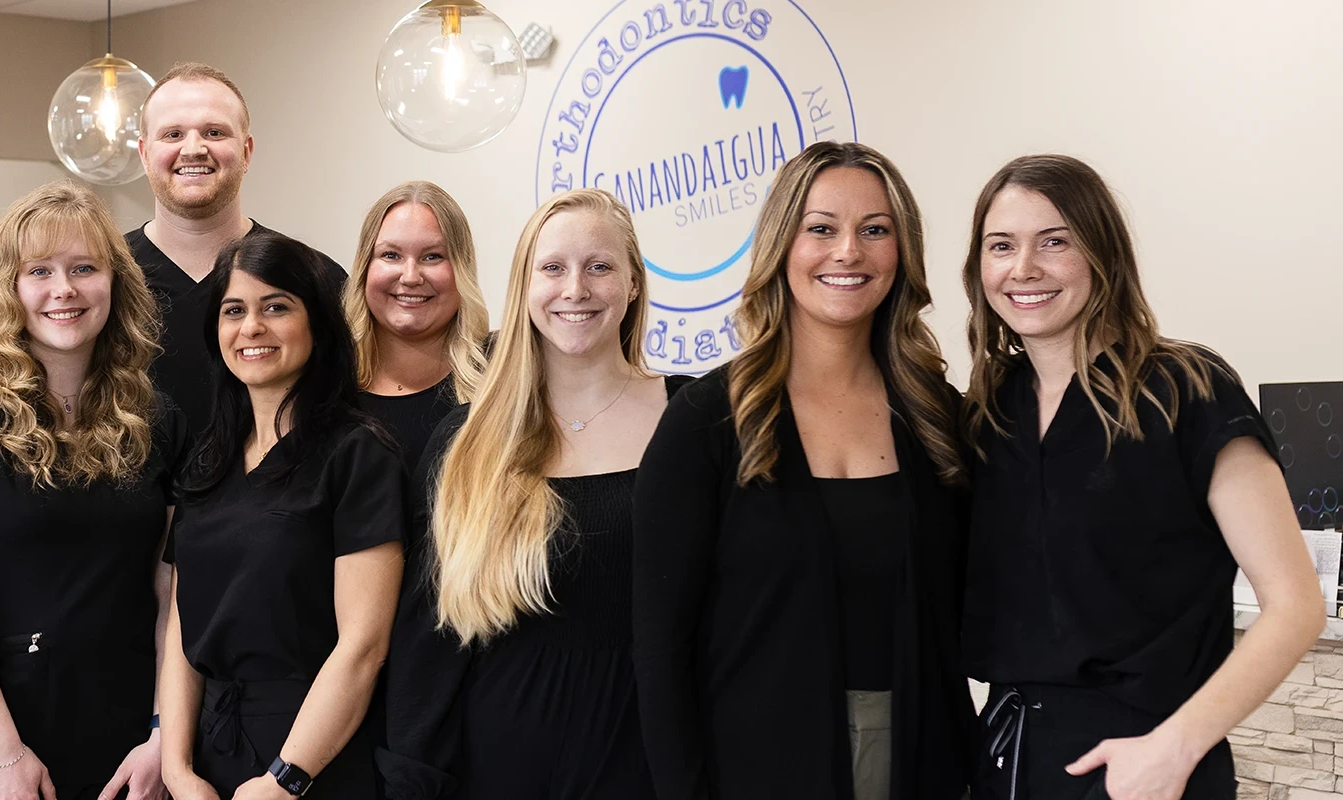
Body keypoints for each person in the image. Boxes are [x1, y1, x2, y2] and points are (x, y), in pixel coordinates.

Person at [959, 155, 1322, 800]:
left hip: (1149, 763)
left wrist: (1175, 748)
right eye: (1002, 245)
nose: (1024, 268)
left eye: (1055, 241)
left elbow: (1295, 605)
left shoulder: (1186, 389)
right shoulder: (988, 410)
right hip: (1010, 757)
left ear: (1103, 253)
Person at [632, 142, 976, 800]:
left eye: (874, 230)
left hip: (924, 759)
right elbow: (659, 650)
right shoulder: (705, 422)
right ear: (781, 245)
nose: (848, 251)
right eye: (821, 228)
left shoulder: (939, 416)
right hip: (752, 769)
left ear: (901, 251)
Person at [378, 188, 680, 800]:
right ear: (524, 286)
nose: (575, 289)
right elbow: (428, 643)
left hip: (651, 761)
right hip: (498, 765)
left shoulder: (693, 420)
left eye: (599, 266)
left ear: (633, 284)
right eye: (553, 268)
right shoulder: (466, 440)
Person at [0, 182, 180, 800]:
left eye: (84, 268)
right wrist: (1, 753)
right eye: (40, 271)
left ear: (115, 282)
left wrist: (165, 734)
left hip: (126, 743)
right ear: (11, 287)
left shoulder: (155, 419)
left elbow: (171, 593)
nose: (64, 289)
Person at [159, 232, 404, 800]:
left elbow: (363, 646)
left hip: (313, 752)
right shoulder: (208, 460)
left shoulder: (358, 455)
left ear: (316, 322)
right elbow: (182, 625)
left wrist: (285, 780)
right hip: (208, 752)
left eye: (276, 307)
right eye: (233, 311)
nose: (251, 327)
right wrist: (177, 767)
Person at [128, 61, 346, 438]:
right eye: (173, 134)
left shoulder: (312, 277)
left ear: (246, 152)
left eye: (214, 132)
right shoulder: (102, 278)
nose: (193, 149)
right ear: (145, 154)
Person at [344, 181, 489, 477]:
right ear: (365, 267)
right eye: (391, 255)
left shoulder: (502, 375)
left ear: (462, 268)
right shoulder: (324, 382)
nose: (410, 277)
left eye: (432, 256)